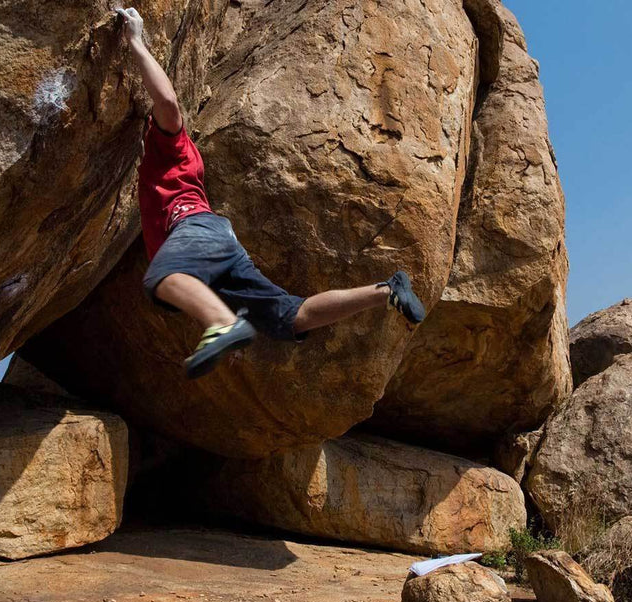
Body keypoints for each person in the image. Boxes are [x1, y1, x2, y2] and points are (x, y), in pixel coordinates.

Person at [118, 7, 425, 379]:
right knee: (292, 317)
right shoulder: (176, 165)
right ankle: (386, 291)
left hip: (194, 228)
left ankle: (222, 323)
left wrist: (136, 40)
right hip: (216, 248)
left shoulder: (170, 145)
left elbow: (167, 103)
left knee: (160, 278)